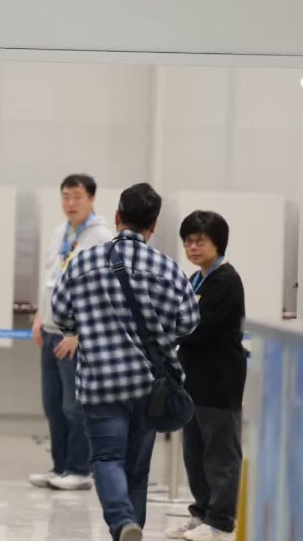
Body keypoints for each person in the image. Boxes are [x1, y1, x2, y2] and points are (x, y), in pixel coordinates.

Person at [51, 183, 200, 541]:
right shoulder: (166, 267)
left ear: (117, 216)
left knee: (106, 459)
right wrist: (159, 331)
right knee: (137, 467)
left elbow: (61, 315)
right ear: (154, 225)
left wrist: (87, 326)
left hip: (100, 383)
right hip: (148, 384)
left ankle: (122, 524)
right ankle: (131, 528)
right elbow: (189, 321)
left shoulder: (83, 261)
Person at [29, 174, 114, 491]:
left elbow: (103, 291)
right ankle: (60, 466)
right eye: (66, 196)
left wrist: (78, 334)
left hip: (76, 336)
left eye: (77, 196)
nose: (70, 203)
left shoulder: (101, 236)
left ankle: (79, 469)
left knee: (74, 405)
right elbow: (50, 277)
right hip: (50, 330)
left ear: (91, 199)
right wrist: (39, 316)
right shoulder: (60, 232)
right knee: (52, 405)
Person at [165, 212, 246, 541]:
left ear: (218, 243)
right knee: (194, 453)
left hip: (219, 382)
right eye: (188, 241)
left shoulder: (225, 280)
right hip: (193, 381)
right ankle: (201, 513)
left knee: (220, 453)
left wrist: (168, 329)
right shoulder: (196, 279)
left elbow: (200, 327)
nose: (193, 247)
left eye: (200, 241)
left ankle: (221, 522)